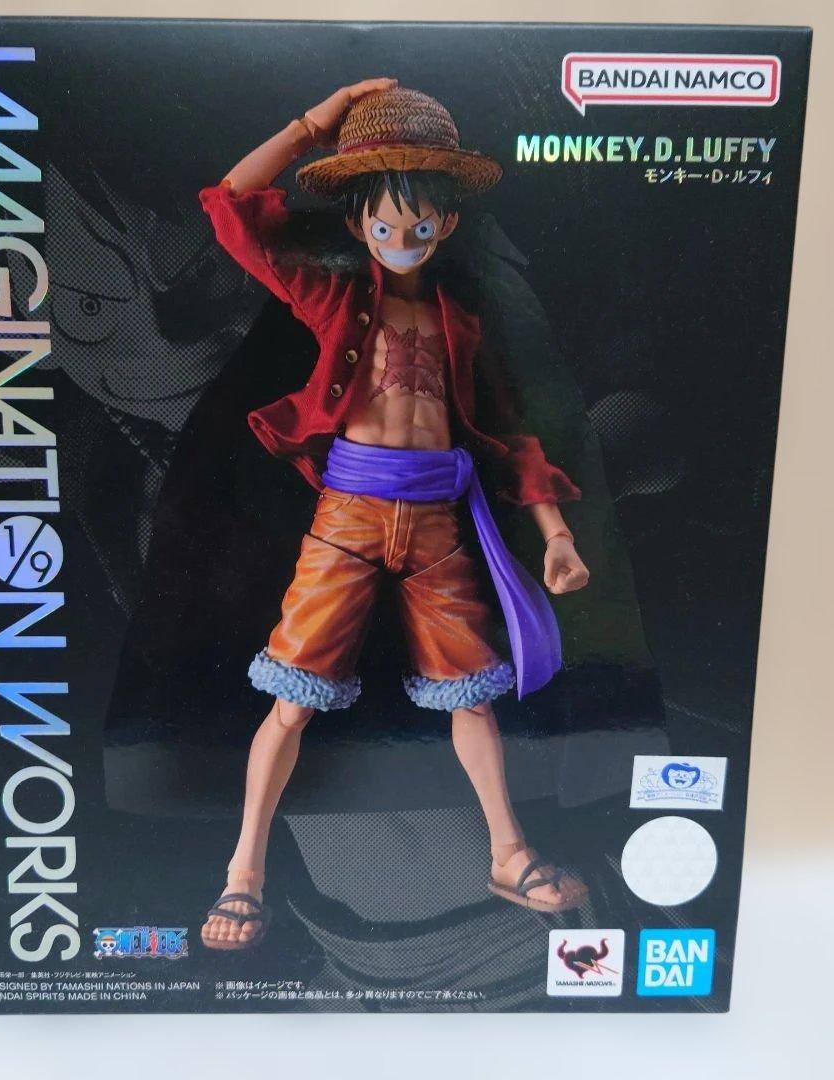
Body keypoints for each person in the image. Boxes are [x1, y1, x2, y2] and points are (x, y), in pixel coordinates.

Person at [197, 81, 591, 950]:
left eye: (419, 227)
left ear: (446, 225)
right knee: (291, 701)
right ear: (357, 223)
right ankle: (243, 874)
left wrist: (556, 535)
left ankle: (508, 853)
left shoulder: (463, 320)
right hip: (348, 516)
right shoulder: (334, 298)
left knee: (472, 698)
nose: (402, 240)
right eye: (384, 226)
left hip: (439, 523)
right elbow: (230, 208)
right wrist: (314, 122)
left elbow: (507, 432)